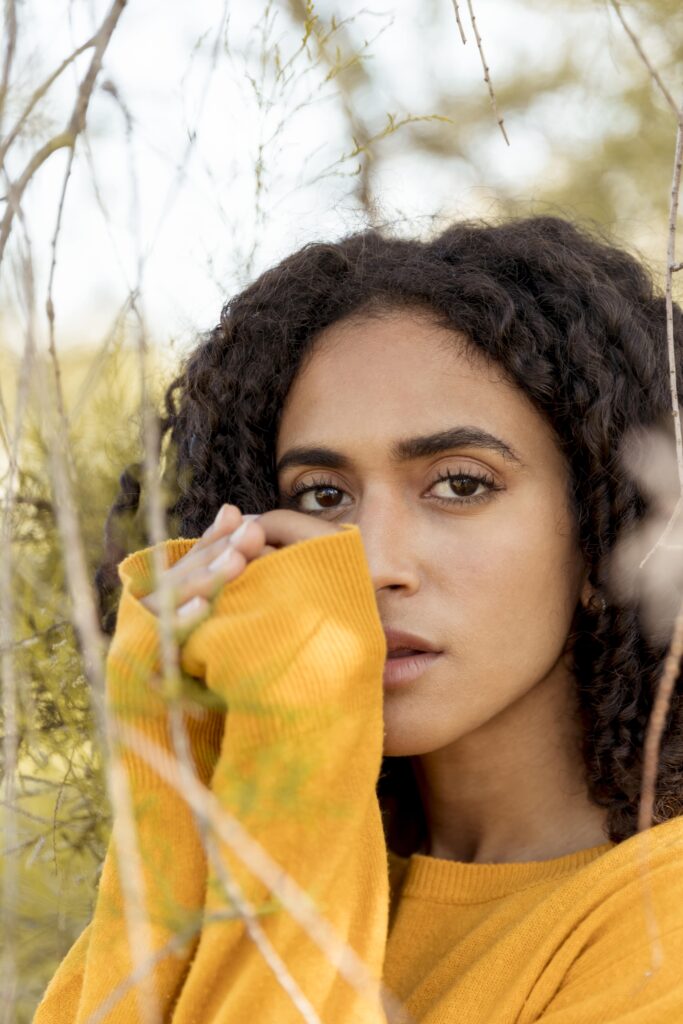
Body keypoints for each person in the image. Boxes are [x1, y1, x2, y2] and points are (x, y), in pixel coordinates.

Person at [34, 215, 683, 1023]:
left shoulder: (658, 921)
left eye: (459, 484)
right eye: (322, 496)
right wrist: (177, 744)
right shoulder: (253, 854)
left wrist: (298, 755)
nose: (372, 563)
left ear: (608, 527)